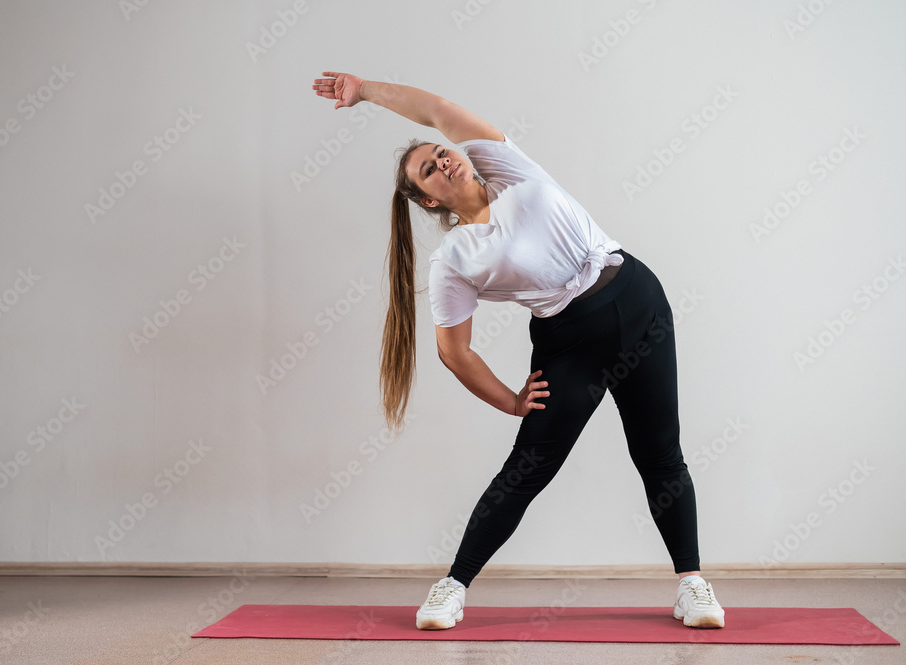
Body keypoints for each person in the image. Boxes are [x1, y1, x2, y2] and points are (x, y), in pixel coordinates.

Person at [311, 71, 726, 630]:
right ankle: (452, 587)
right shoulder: (455, 258)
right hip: (569, 340)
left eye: (441, 153)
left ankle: (692, 586)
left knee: (659, 453)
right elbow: (455, 351)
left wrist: (363, 90)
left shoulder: (508, 168)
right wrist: (510, 401)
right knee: (528, 467)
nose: (443, 160)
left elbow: (435, 108)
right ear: (426, 197)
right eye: (428, 169)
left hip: (638, 304)